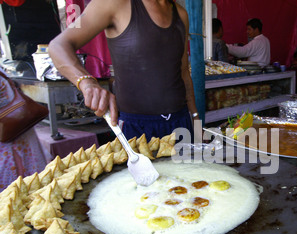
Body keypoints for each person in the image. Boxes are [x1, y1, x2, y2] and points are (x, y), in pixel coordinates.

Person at [48, 0, 199, 140]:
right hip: (135, 129)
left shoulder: (180, 14)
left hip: (181, 123)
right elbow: (58, 45)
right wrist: (87, 83)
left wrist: (196, 122)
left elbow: (183, 73)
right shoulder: (115, 3)